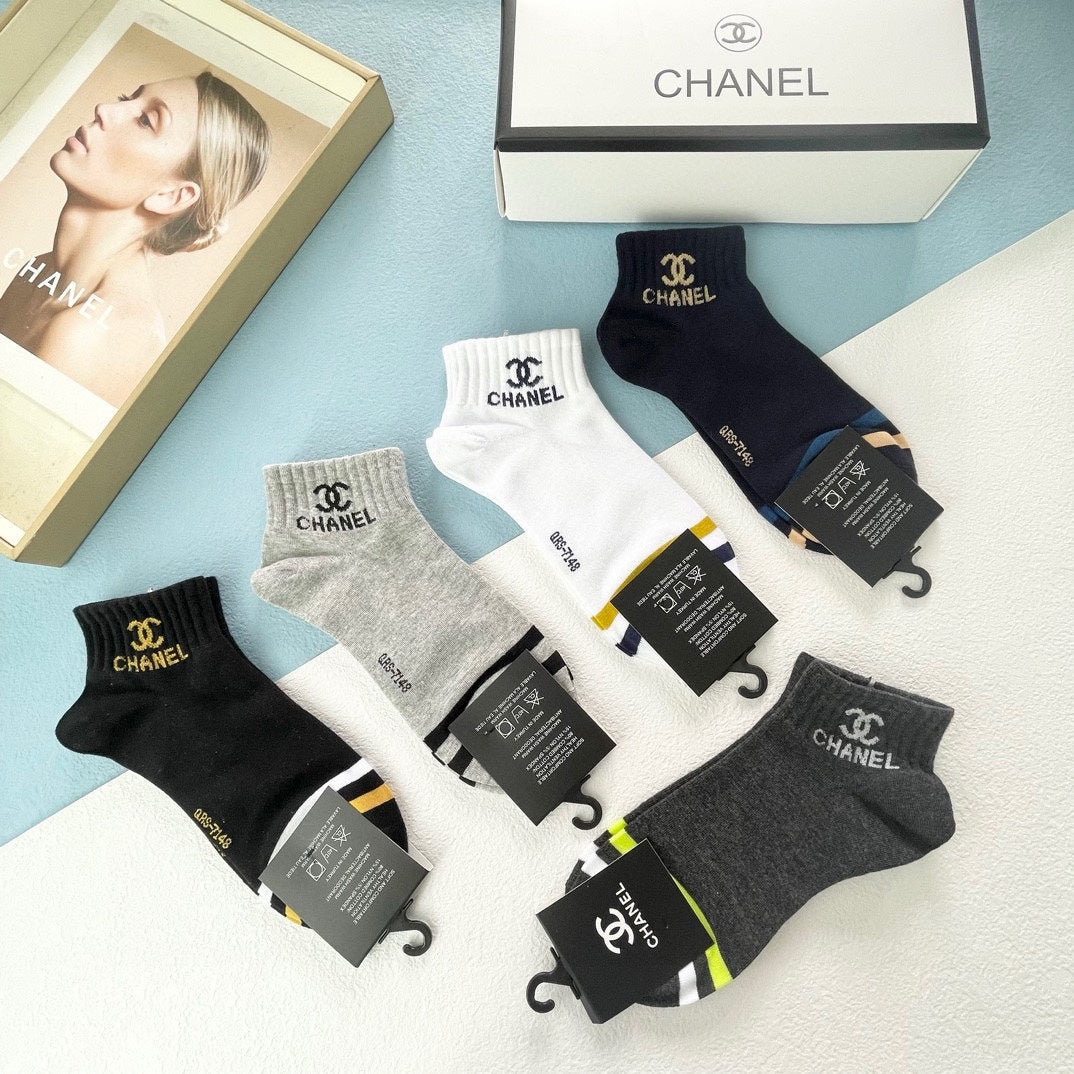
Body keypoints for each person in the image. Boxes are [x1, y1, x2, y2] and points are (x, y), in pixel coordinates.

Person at [0, 71, 270, 407]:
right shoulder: (36, 273)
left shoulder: (90, 335)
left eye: (145, 120)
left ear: (171, 196)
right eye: (127, 99)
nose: (104, 109)